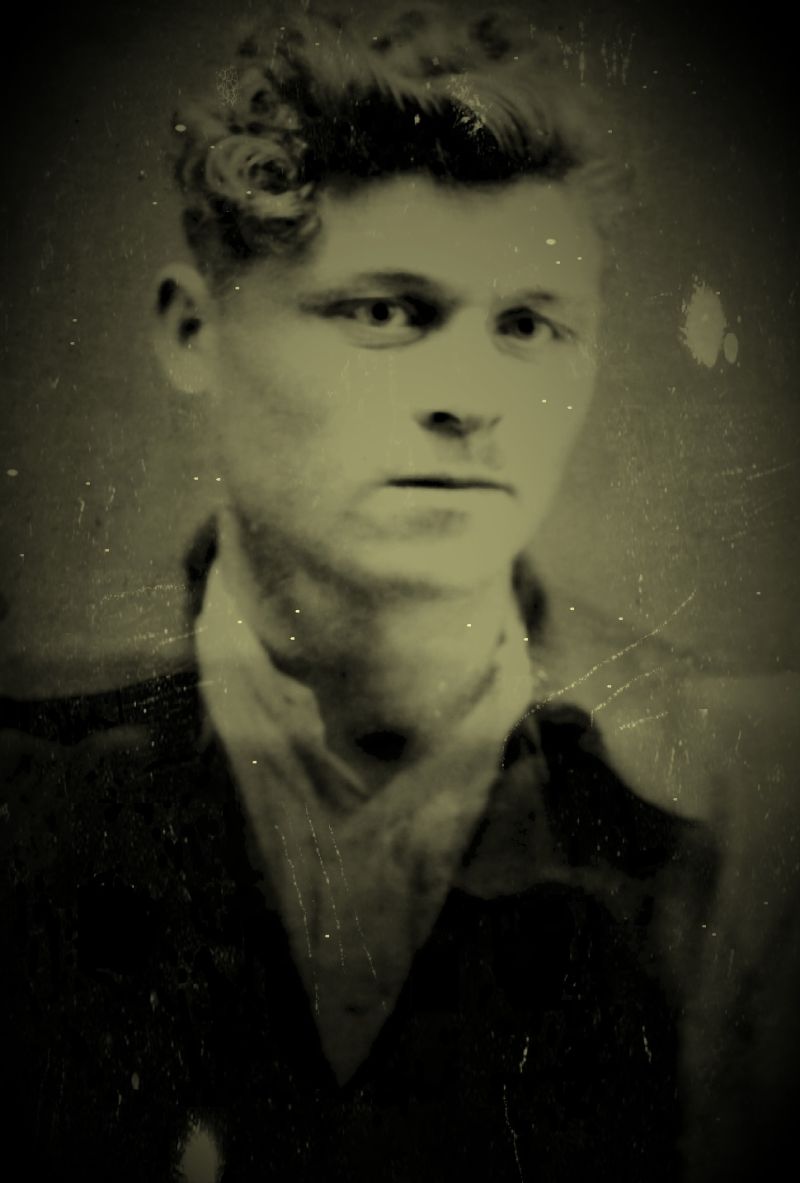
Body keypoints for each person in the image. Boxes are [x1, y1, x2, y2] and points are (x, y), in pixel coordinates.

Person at [0, 3, 724, 1180]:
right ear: (192, 332)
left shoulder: (736, 819)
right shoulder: (25, 780)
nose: (470, 398)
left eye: (529, 325)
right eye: (386, 312)